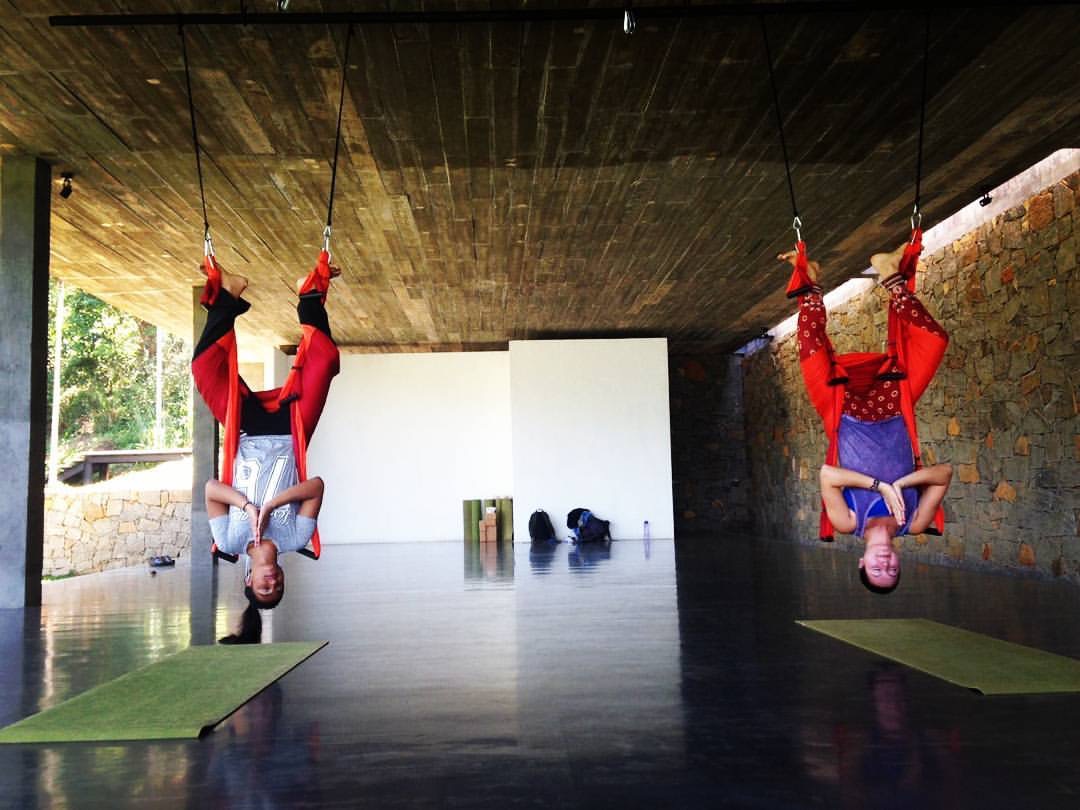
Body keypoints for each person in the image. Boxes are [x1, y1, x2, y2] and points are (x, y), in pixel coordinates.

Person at [780, 239, 953, 593]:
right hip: (893, 407)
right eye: (891, 571)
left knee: (811, 348)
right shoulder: (914, 523)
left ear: (862, 562)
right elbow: (943, 475)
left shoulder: (848, 522)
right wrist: (900, 486)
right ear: (899, 563)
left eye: (876, 570)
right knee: (934, 340)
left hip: (845, 411)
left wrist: (878, 486)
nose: (884, 564)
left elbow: (828, 475)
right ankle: (890, 273)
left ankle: (810, 282)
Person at [192, 255, 340, 634]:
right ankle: (310, 295)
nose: (271, 581)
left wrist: (245, 505)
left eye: (263, 586)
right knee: (323, 360)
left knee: (204, 368)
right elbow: (317, 486)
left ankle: (229, 294)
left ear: (249, 580)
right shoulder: (294, 537)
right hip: (291, 429)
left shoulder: (230, 539)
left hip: (246, 431)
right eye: (277, 586)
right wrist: (272, 506)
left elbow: (211, 489)